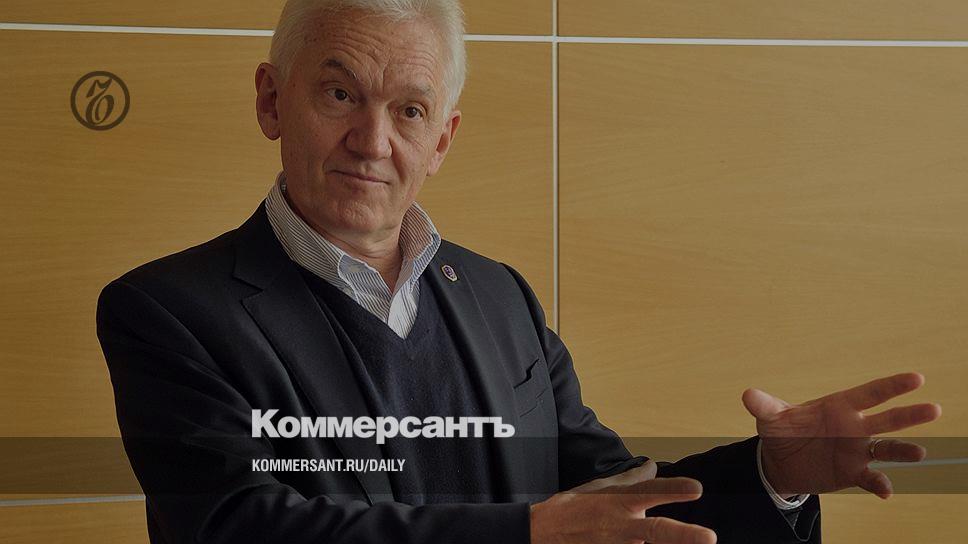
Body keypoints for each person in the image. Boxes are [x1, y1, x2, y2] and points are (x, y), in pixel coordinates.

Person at [95, 1, 942, 543]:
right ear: (271, 100)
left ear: (443, 139)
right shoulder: (168, 311)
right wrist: (528, 533)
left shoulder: (500, 296)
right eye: (341, 95)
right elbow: (242, 525)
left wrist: (771, 475)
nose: (373, 141)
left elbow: (610, 500)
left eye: (409, 110)